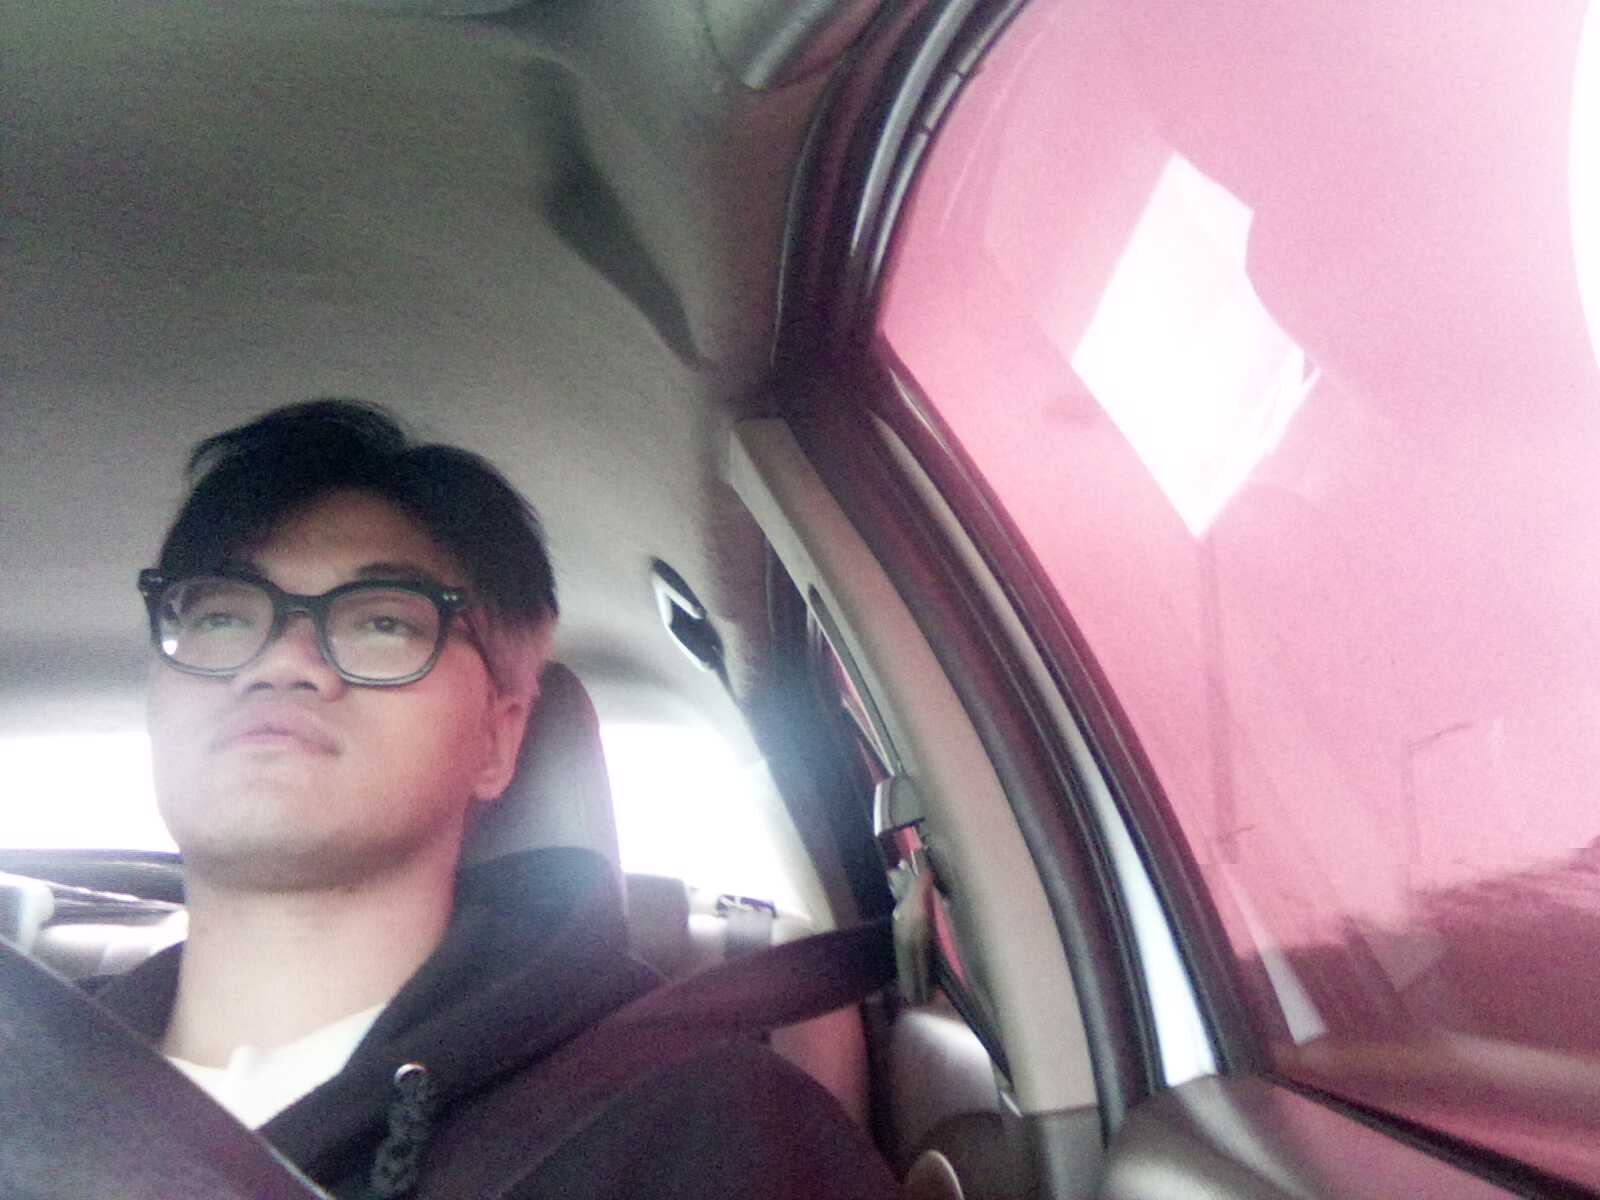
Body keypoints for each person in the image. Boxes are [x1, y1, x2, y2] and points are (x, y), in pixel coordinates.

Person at [92, 400, 898, 1199]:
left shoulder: (709, 1135)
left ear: (498, 739)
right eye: (223, 617)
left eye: (383, 622)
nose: (280, 661)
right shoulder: (42, 1074)